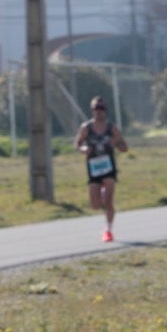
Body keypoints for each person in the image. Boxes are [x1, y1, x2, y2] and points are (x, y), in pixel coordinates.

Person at [75, 96, 128, 243]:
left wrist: (116, 143)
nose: (99, 111)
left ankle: (108, 231)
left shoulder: (112, 128)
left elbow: (124, 147)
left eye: (102, 108)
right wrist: (84, 149)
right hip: (94, 168)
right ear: (92, 111)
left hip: (109, 168)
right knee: (95, 205)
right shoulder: (86, 127)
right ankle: (102, 194)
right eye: (96, 108)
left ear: (106, 111)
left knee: (109, 202)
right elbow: (78, 143)